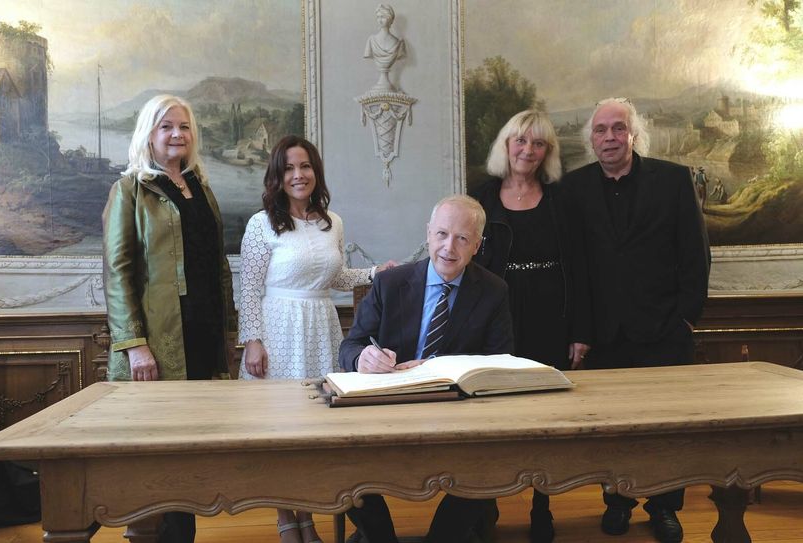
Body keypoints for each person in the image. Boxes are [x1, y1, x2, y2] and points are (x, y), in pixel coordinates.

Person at [562, 97, 710, 543]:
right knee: (614, 429)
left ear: (633, 134)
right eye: (601, 130)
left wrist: (686, 318)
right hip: (606, 335)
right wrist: (580, 332)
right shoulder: (573, 188)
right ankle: (619, 503)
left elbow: (695, 254)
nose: (610, 137)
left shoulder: (673, 180)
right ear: (592, 139)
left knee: (669, 429)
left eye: (618, 128)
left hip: (665, 329)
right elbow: (576, 267)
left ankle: (665, 509)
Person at [238, 135, 396, 543]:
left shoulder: (333, 222)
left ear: (315, 172)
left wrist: (375, 273)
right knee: (279, 429)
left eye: (305, 166)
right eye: (289, 168)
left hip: (321, 324)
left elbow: (334, 277)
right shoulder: (261, 224)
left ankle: (307, 515)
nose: (298, 175)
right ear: (277, 175)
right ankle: (286, 517)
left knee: (313, 427)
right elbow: (249, 289)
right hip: (277, 328)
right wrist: (252, 340)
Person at [338, 194, 514, 543]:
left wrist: (441, 367)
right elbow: (351, 346)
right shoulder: (390, 284)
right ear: (428, 234)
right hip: (389, 406)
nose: (449, 247)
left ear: (477, 245)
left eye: (462, 238)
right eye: (442, 234)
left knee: (488, 459)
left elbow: (501, 363)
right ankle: (380, 537)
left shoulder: (493, 291)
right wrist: (363, 359)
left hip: (458, 413)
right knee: (340, 464)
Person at [103, 94, 237, 542]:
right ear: (149, 134)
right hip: (158, 343)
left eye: (183, 126)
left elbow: (216, 264)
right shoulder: (129, 189)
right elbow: (118, 272)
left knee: (187, 457)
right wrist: (134, 344)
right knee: (151, 457)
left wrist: (229, 332)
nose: (177, 134)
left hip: (201, 337)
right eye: (166, 127)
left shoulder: (200, 187)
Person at [469, 109, 591, 543]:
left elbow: (581, 268)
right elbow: (465, 266)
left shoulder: (562, 199)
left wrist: (580, 331)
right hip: (495, 318)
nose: (528, 150)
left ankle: (543, 505)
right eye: (520, 140)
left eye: (538, 143)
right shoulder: (480, 196)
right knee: (490, 414)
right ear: (506, 145)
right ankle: (485, 506)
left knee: (544, 415)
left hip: (549, 317)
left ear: (547, 152)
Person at [363, 3, 407, 92]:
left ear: (390, 19)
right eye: (378, 17)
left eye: (383, 17)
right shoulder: (371, 40)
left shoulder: (399, 43)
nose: (380, 20)